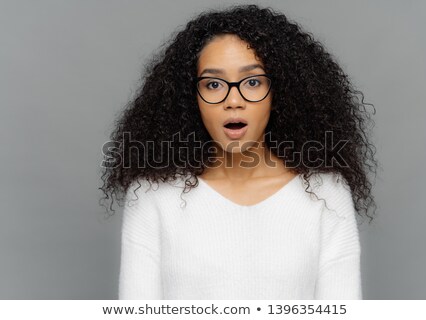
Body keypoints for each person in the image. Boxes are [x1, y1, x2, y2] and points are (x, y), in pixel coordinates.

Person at [99, 4, 377, 300]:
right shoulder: (151, 195)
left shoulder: (327, 193)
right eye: (214, 84)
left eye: (253, 82)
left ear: (280, 92)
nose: (233, 100)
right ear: (190, 98)